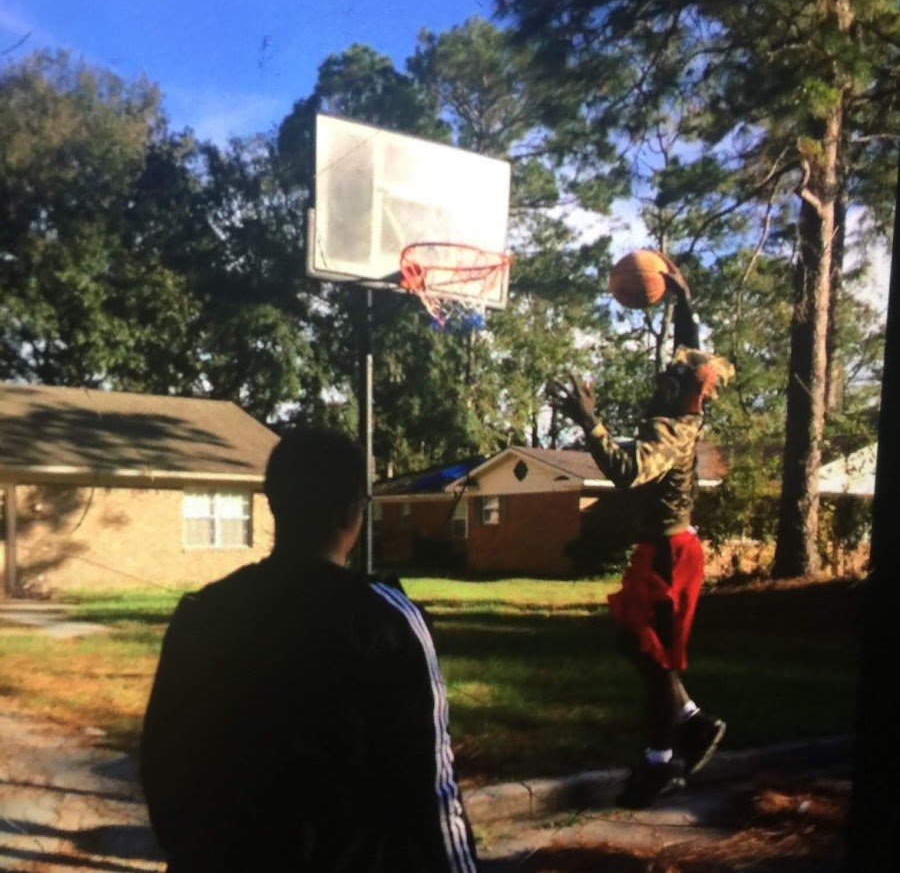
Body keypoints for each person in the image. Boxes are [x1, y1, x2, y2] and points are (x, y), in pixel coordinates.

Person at [139, 425, 480, 872]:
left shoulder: (201, 613)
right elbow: (432, 790)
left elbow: (161, 765)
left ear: (273, 504)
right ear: (351, 511)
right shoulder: (388, 622)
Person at [550, 254, 734, 809]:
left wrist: (591, 423)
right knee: (645, 652)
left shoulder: (671, 429)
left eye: (674, 376)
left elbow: (629, 472)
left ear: (686, 393)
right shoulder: (683, 403)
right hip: (665, 546)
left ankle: (667, 754)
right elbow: (689, 352)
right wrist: (683, 300)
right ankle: (685, 730)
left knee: (652, 657)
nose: (666, 373)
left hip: (669, 553)